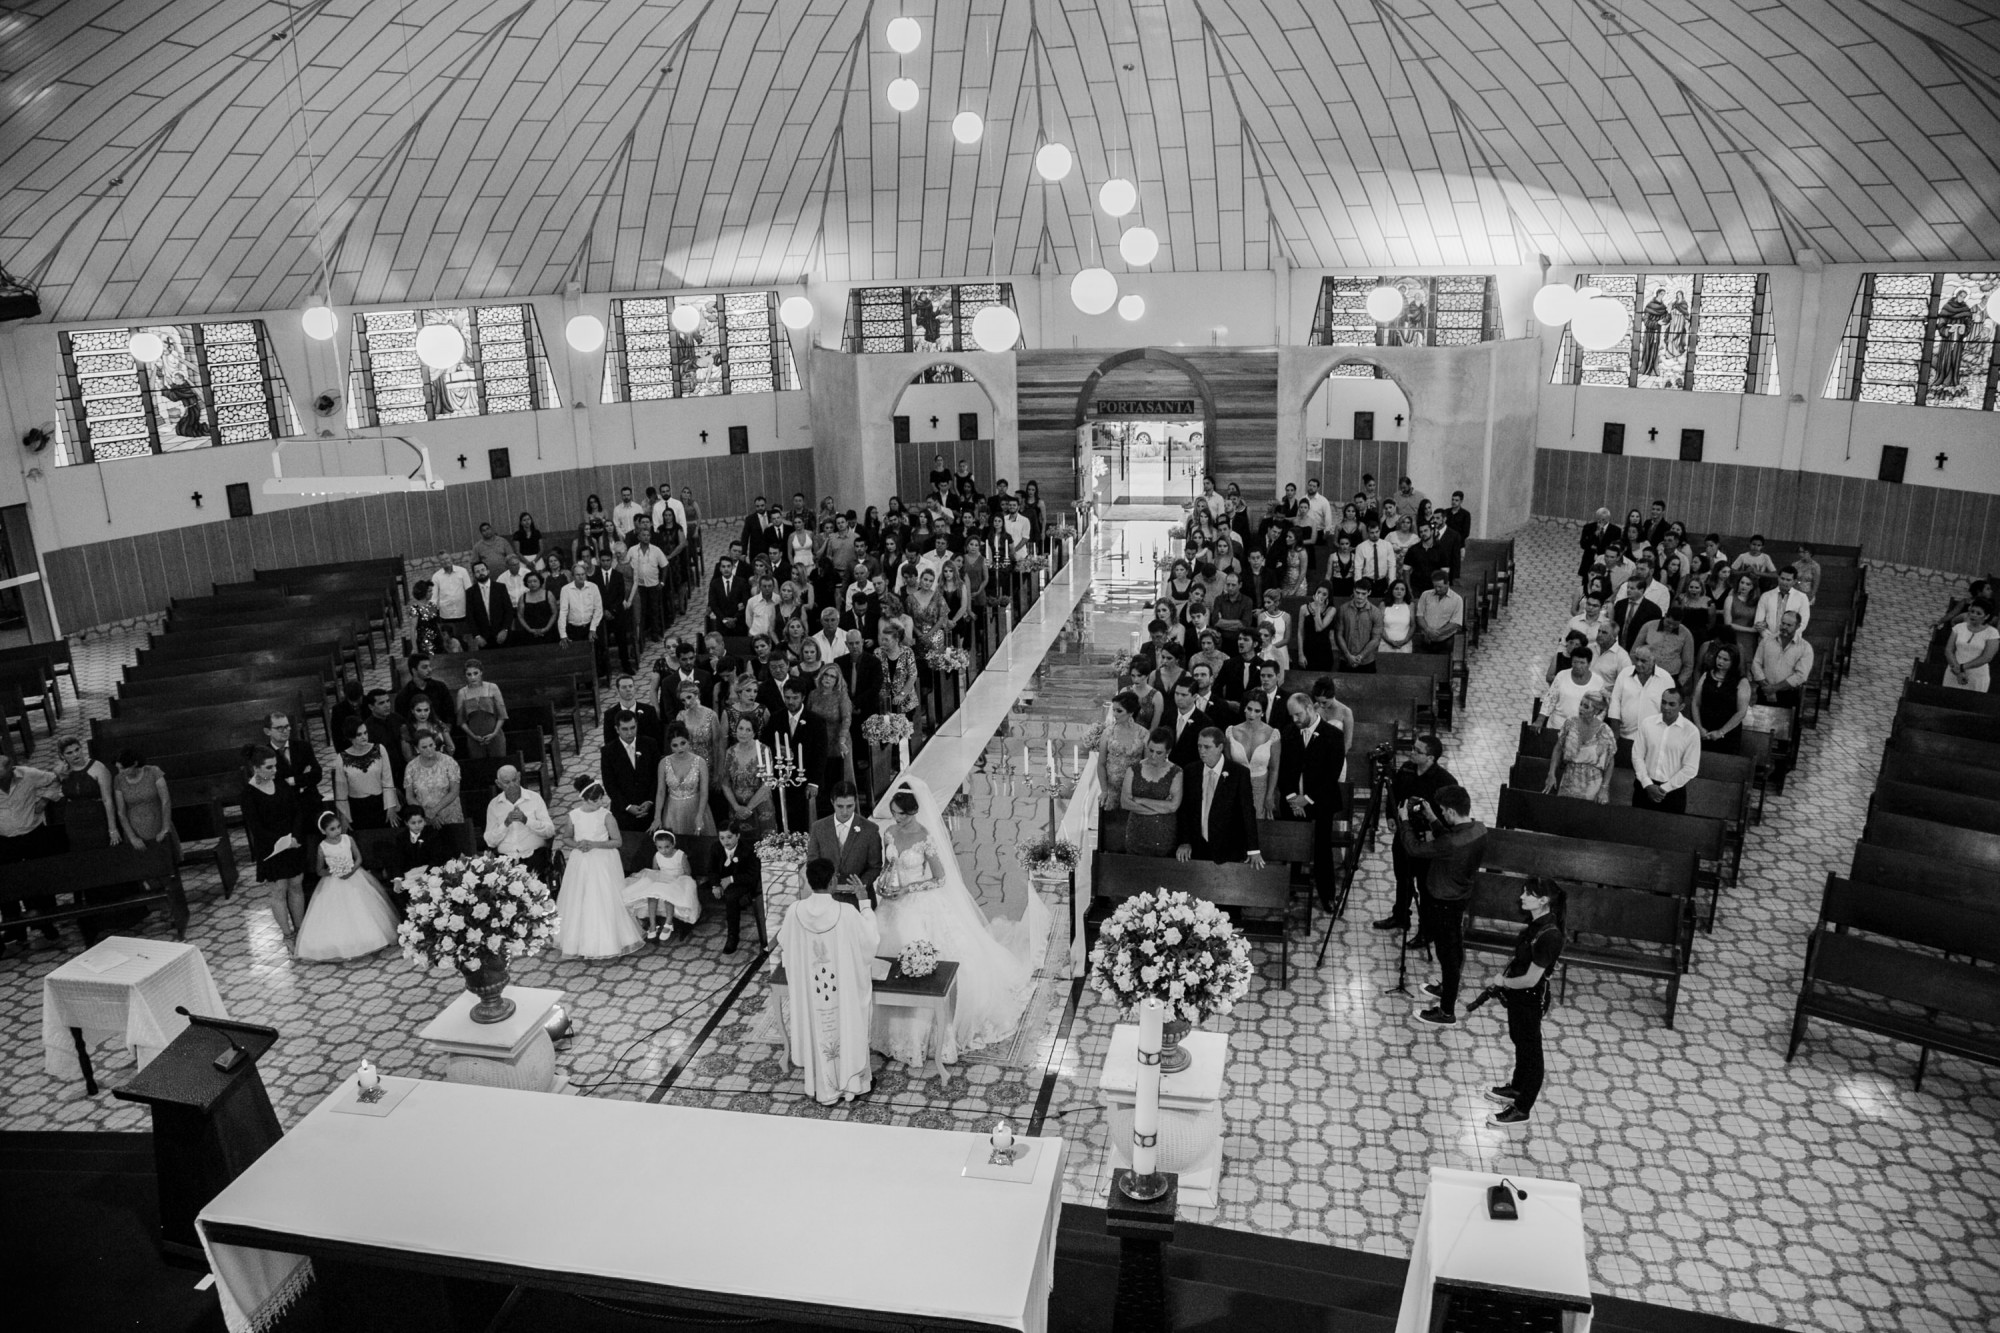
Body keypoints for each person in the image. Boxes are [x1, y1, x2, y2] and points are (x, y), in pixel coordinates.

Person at [872, 778, 1052, 1057]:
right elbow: (888, 864)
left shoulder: (924, 838)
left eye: (903, 814)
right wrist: (884, 885)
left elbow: (940, 878)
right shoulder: (889, 833)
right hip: (891, 902)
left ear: (915, 811)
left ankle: (929, 1027)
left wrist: (908, 888)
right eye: (894, 813)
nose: (898, 818)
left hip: (920, 902)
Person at [779, 857, 880, 1105]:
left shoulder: (795, 911)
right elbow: (870, 941)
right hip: (841, 990)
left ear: (809, 882)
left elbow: (785, 943)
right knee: (844, 1026)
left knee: (819, 1031)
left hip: (814, 992)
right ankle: (852, 1085)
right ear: (833, 881)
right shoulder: (846, 912)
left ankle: (821, 1088)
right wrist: (864, 901)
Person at [1401, 784, 1487, 1028]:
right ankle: (1446, 990)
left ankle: (1446, 1011)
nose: (1440, 814)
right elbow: (1449, 841)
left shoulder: (1452, 843)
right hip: (1460, 897)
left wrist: (1405, 822)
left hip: (1443, 902)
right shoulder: (1479, 829)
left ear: (1450, 812)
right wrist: (1431, 818)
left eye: (1441, 811)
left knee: (1447, 955)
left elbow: (1415, 849)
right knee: (1454, 948)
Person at [1483, 880, 1567, 1127]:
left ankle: (1522, 1108)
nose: (1521, 897)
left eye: (1528, 894)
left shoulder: (1549, 934)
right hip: (1520, 999)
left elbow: (1531, 980)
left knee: (1532, 1053)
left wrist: (1504, 982)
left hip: (1529, 999)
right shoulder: (1537, 925)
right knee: (1520, 1041)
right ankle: (1517, 1088)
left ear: (1544, 901)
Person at [555, 777, 646, 958]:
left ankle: (612, 940)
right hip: (581, 862)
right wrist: (577, 844)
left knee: (605, 896)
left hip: (603, 860)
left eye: (601, 798)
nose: (600, 803)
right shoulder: (574, 816)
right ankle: (580, 942)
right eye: (595, 800)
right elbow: (566, 838)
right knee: (581, 898)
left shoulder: (606, 816)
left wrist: (594, 844)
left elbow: (617, 841)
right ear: (584, 799)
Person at [294, 811, 401, 963]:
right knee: (337, 913)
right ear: (323, 831)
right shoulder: (322, 847)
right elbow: (319, 870)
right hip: (333, 882)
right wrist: (335, 871)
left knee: (362, 907)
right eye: (332, 829)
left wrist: (351, 869)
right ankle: (341, 945)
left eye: (338, 827)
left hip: (355, 877)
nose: (337, 831)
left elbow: (358, 858)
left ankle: (370, 940)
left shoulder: (347, 839)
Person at [1377, 735, 1453, 935]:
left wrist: (1434, 832)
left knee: (1425, 886)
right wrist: (1391, 816)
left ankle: (1426, 931)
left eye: (1418, 751)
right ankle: (1400, 916)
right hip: (1404, 834)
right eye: (1413, 748)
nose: (1412, 752)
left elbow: (1451, 814)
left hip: (1426, 842)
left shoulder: (1445, 781)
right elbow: (1393, 793)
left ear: (1431, 758)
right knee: (1403, 878)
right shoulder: (1407, 769)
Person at [240, 746, 308, 954]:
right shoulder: (248, 794)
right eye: (269, 767)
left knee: (296, 885)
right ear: (255, 768)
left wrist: (295, 836)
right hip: (272, 847)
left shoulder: (280, 783)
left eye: (275, 766)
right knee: (279, 890)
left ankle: (301, 930)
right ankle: (288, 935)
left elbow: (297, 810)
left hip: (293, 841)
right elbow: (256, 828)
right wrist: (283, 842)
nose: (274, 771)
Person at [1174, 727, 1265, 866]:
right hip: (1197, 847)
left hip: (1228, 848)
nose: (1201, 751)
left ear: (1220, 747)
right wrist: (1185, 841)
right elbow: (1185, 809)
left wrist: (1253, 849)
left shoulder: (1239, 773)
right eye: (1199, 746)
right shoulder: (1191, 771)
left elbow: (1247, 812)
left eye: (1207, 747)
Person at [804, 781, 883, 909]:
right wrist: (824, 883)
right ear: (832, 802)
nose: (845, 812)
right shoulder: (819, 828)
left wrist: (861, 884)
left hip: (858, 901)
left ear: (856, 802)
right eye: (840, 806)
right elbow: (812, 862)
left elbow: (875, 866)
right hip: (827, 900)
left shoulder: (870, 830)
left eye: (850, 806)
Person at [625, 828, 700, 942]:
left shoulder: (680, 855)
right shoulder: (657, 856)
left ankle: (668, 923)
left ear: (673, 844)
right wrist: (656, 882)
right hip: (662, 879)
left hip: (677, 880)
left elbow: (687, 872)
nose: (663, 851)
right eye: (660, 847)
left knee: (667, 893)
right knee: (652, 894)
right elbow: (655, 872)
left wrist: (677, 881)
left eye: (667, 847)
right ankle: (652, 924)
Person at [701, 818, 763, 954]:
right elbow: (711, 869)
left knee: (731, 897)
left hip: (742, 882)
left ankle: (732, 936)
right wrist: (715, 885)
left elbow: (752, 876)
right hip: (722, 881)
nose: (726, 841)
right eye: (722, 838)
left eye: (729, 837)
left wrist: (731, 879)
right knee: (710, 891)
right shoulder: (716, 847)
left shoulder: (748, 849)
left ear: (738, 836)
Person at [1544, 690, 1616, 803]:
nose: (1581, 708)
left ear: (1596, 711)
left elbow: (1610, 762)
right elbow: (1558, 749)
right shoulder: (1570, 723)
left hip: (1592, 784)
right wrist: (1551, 773)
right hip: (1569, 779)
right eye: (1581, 704)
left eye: (1586, 707)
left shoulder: (1605, 731)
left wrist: (1604, 788)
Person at [483, 765, 555, 874]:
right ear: (498, 784)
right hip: (506, 858)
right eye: (507, 782)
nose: (512, 785)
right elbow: (490, 842)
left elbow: (550, 831)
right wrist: (506, 824)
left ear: (519, 777)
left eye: (514, 780)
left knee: (532, 878)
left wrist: (527, 821)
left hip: (533, 854)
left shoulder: (534, 798)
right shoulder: (494, 805)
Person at [332, 718, 399, 830]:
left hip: (380, 804)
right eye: (359, 734)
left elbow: (388, 780)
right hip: (357, 808)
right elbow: (341, 790)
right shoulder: (341, 758)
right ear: (350, 737)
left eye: (365, 733)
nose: (364, 737)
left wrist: (391, 806)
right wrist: (344, 817)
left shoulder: (379, 749)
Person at [652, 723, 714, 839]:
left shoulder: (700, 762)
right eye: (675, 745)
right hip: (672, 811)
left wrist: (700, 815)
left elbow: (704, 792)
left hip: (696, 808)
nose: (680, 748)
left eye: (683, 743)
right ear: (670, 746)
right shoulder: (663, 763)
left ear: (688, 741)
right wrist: (657, 817)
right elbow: (660, 792)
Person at [54, 738, 118, 849]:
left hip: (97, 817)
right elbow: (51, 788)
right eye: (69, 753)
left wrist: (112, 829)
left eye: (77, 749)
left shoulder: (98, 767)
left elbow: (108, 800)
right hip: (74, 819)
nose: (75, 754)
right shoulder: (60, 771)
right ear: (62, 756)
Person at [1225, 694, 1281, 821]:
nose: (1252, 714)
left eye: (1257, 711)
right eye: (1249, 709)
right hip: (1237, 788)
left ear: (1263, 712)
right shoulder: (1231, 732)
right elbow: (1228, 767)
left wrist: (1269, 795)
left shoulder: (1273, 734)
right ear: (1244, 708)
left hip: (1261, 788)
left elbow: (1274, 768)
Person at [113, 750, 176, 861]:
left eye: (124, 768)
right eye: (118, 768)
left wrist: (165, 828)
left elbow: (165, 800)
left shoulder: (153, 771)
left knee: (166, 862)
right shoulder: (119, 779)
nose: (120, 772)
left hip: (157, 823)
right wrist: (132, 837)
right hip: (136, 828)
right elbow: (121, 812)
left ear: (135, 764)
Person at [1691, 645, 1753, 752]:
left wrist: (1721, 732)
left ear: (1733, 662)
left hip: (1728, 732)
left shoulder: (1741, 681)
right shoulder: (1706, 675)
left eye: (1725, 659)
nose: (1720, 661)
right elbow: (1696, 703)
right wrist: (1699, 726)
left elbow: (1741, 712)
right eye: (1719, 657)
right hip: (1704, 728)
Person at [1751, 611, 1814, 712]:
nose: (1784, 627)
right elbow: (1756, 664)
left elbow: (1801, 675)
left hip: (1788, 696)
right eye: (1783, 623)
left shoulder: (1805, 647)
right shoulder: (1767, 640)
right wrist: (1767, 688)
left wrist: (1774, 688)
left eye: (1789, 625)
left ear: (1798, 626)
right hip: (1764, 691)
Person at [401, 731, 463, 827]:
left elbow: (454, 791)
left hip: (451, 816)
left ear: (435, 744)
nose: (429, 749)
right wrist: (426, 813)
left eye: (431, 745)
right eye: (424, 747)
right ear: (417, 749)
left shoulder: (449, 762)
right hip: (425, 818)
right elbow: (409, 797)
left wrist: (434, 810)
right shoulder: (411, 767)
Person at [456, 659, 509, 759]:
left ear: (481, 672)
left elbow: (502, 715)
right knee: (480, 769)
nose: (473, 677)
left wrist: (494, 733)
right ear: (465, 676)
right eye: (469, 674)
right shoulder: (461, 693)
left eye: (475, 673)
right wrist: (473, 736)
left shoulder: (492, 687)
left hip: (495, 735)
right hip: (474, 738)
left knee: (499, 764)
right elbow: (461, 721)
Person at [1945, 601, 1998, 692]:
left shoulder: (1992, 633)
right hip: (1954, 672)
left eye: (1978, 613)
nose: (1973, 615)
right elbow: (1948, 650)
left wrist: (1962, 668)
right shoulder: (1959, 627)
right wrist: (1958, 670)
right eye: (1972, 611)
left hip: (1977, 676)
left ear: (1986, 616)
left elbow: (1987, 657)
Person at [1334, 581, 1384, 672]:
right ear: (1353, 591)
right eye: (1357, 592)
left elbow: (1376, 639)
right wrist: (1348, 655)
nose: (1360, 596)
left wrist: (1361, 656)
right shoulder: (1343, 609)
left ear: (1369, 593)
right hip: (1345, 659)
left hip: (1367, 661)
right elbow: (1338, 634)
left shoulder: (1376, 612)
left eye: (1363, 593)